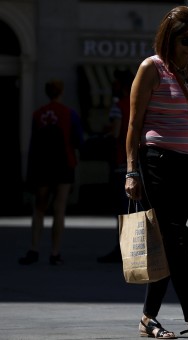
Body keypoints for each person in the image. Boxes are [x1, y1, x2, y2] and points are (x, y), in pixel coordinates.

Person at [124, 6, 188, 340]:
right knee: (177, 239)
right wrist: (131, 172)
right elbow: (134, 123)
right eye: (186, 40)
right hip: (157, 162)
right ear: (170, 37)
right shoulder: (151, 69)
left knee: (171, 243)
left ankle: (148, 318)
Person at [18, 79, 83, 266]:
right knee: (59, 208)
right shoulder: (69, 114)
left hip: (42, 166)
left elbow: (33, 144)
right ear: (61, 92)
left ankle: (34, 248)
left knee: (39, 208)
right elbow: (78, 140)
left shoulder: (37, 114)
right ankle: (55, 252)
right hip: (64, 163)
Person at [97, 69, 134, 264]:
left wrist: (106, 130)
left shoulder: (117, 106)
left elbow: (116, 132)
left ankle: (122, 248)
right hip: (137, 160)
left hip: (120, 161)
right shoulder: (139, 105)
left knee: (121, 208)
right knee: (134, 207)